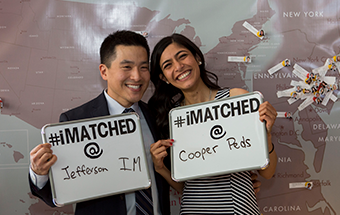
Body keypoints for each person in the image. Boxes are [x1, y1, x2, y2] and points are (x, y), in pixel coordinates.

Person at [29, 30, 171, 215]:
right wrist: (39, 173)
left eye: (143, 67)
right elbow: (55, 195)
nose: (137, 76)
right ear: (104, 71)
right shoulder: (75, 121)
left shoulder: (157, 115)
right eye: (126, 67)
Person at [148, 33, 277, 214]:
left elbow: (267, 173)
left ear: (197, 58)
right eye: (168, 65)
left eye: (182, 56)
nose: (178, 67)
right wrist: (161, 169)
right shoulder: (172, 118)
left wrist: (267, 135)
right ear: (164, 78)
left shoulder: (236, 99)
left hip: (239, 208)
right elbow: (187, 188)